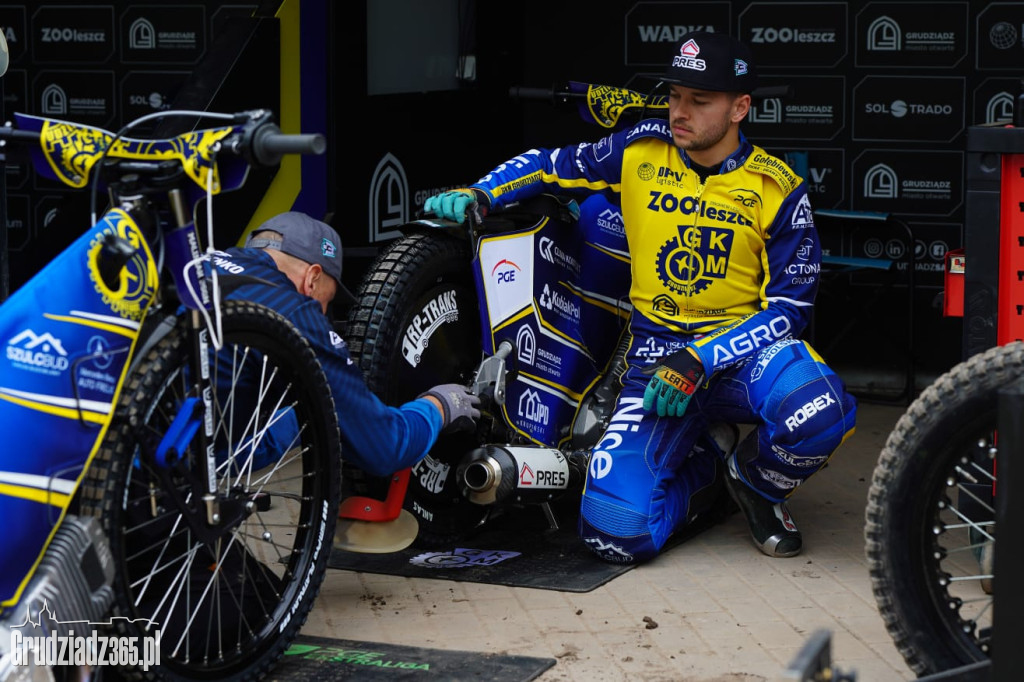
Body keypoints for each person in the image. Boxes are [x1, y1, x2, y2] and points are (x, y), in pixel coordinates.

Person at [423, 31, 857, 563]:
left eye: (700, 101)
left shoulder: (778, 187)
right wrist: (481, 192)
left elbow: (791, 309)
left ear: (740, 107)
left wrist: (702, 357)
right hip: (653, 359)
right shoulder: (639, 147)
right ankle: (709, 463)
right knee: (613, 532)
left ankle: (757, 484)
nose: (681, 111)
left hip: (740, 356)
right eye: (675, 95)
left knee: (820, 409)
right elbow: (550, 163)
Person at [211, 211, 480, 478]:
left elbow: (223, 450)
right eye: (326, 302)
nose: (323, 313)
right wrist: (439, 406)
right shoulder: (293, 311)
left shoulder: (198, 263)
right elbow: (385, 446)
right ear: (312, 278)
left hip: (180, 449)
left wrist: (304, 418)